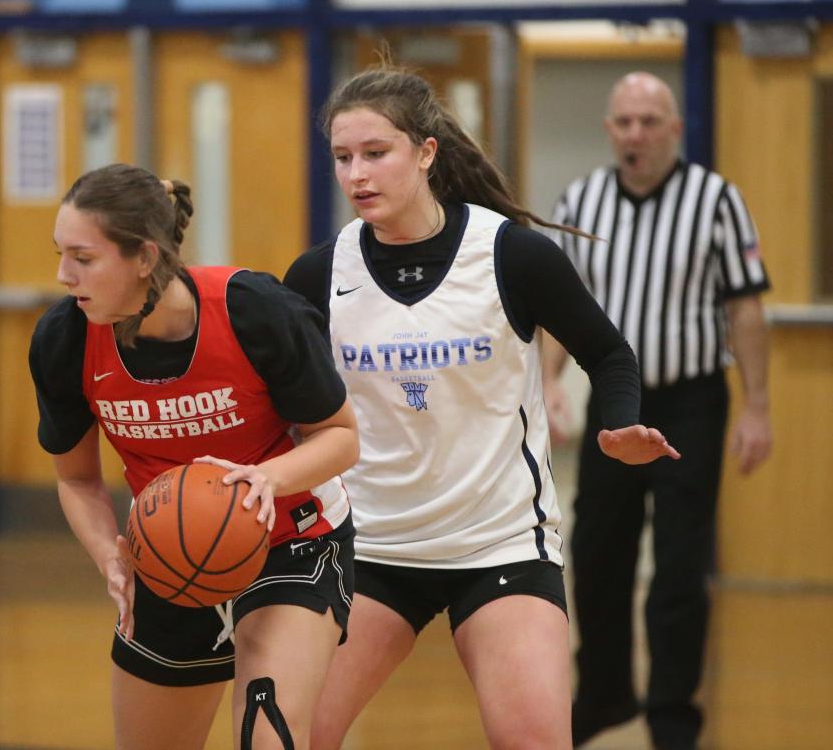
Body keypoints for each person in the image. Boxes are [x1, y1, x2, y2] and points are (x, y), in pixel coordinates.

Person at [283, 63, 679, 750]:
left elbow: (609, 353)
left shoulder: (511, 255)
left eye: (376, 153)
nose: (357, 175)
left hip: (497, 542)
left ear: (426, 152)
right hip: (370, 546)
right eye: (343, 158)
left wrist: (617, 422)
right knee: (292, 733)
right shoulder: (318, 274)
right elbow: (287, 408)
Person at [28, 163, 359, 750]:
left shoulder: (256, 311)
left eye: (83, 258)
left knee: (268, 731)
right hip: (168, 555)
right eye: (61, 255)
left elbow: (340, 437)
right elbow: (77, 480)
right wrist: (110, 553)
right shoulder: (67, 339)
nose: (63, 275)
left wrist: (265, 478)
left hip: (291, 538)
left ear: (145, 258)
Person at [542, 72, 772, 750]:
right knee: (596, 550)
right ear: (610, 128)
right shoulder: (580, 201)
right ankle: (606, 691)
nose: (635, 134)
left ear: (675, 129)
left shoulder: (716, 200)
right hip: (618, 402)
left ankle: (673, 711)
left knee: (678, 563)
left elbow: (747, 307)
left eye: (649, 121)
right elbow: (562, 309)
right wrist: (550, 382)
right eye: (624, 121)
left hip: (691, 400)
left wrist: (757, 407)